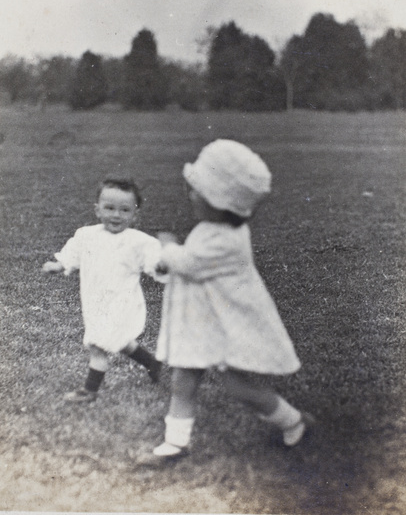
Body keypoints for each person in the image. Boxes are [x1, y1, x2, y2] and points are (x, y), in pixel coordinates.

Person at [150, 139, 313, 461]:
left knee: (239, 388)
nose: (190, 194)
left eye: (199, 191)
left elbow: (191, 264)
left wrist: (167, 247)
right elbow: (189, 265)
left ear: (221, 203)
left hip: (227, 326)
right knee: (183, 379)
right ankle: (175, 443)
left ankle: (293, 420)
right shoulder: (212, 226)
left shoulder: (227, 239)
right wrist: (168, 261)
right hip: (199, 322)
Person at [42, 175, 164, 403]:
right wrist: (59, 265)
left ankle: (90, 390)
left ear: (135, 214)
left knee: (99, 344)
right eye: (109, 208)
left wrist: (163, 263)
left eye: (125, 210)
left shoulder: (140, 242)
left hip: (123, 302)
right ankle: (151, 363)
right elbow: (73, 255)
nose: (116, 215)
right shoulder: (87, 236)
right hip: (95, 300)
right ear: (97, 210)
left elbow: (154, 264)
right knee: (117, 340)